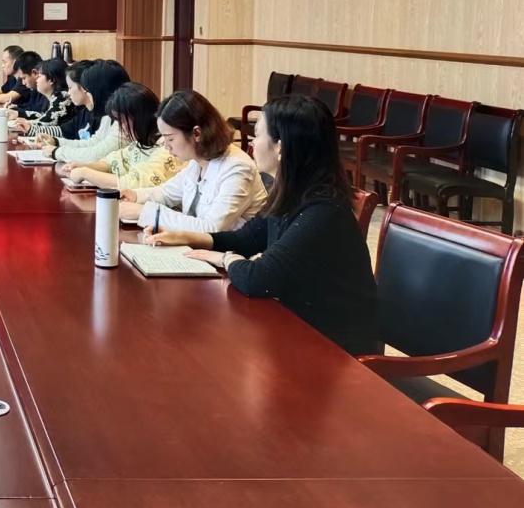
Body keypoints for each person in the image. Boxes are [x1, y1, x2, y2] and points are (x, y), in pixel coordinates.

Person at [146, 95, 378, 355]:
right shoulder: (291, 192)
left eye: (257, 135)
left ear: (280, 147)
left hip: (336, 350)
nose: (252, 143)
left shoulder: (323, 210)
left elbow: (258, 278)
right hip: (299, 328)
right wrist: (185, 237)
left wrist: (225, 259)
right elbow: (247, 239)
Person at [118, 90, 266, 232]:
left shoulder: (238, 168)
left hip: (230, 249)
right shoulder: (198, 162)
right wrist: (134, 195)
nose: (166, 146)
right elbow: (166, 193)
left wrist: (144, 212)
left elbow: (211, 228)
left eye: (170, 139)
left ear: (196, 133)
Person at [64, 83, 182, 189]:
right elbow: (111, 163)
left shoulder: (167, 148)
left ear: (139, 117)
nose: (121, 127)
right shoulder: (140, 143)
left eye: (123, 121)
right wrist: (84, 166)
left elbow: (134, 183)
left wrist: (85, 173)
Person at [40, 60, 130, 160]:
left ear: (101, 90)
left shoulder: (126, 120)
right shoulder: (109, 116)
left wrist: (56, 152)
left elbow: (95, 155)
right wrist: (57, 142)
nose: (87, 93)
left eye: (87, 89)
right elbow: (93, 142)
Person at [10, 57, 73, 133]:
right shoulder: (54, 97)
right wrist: (19, 114)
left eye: (39, 76)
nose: (37, 80)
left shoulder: (63, 97)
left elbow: (47, 122)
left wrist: (25, 124)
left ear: (51, 80)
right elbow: (43, 115)